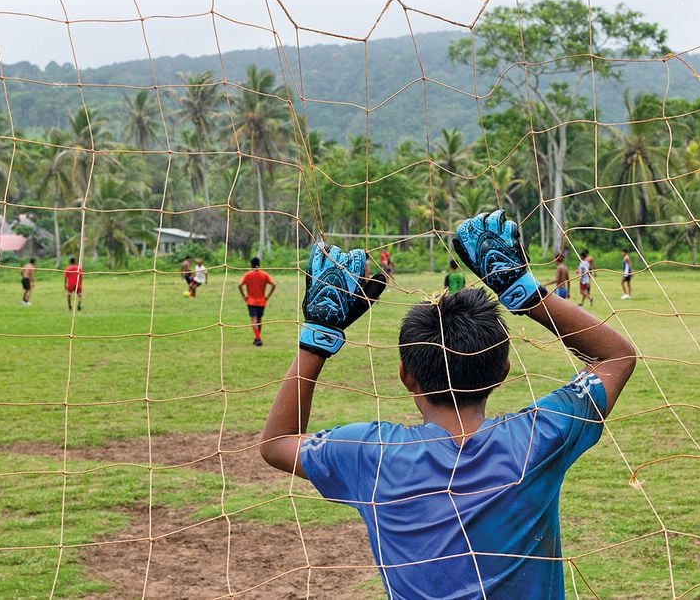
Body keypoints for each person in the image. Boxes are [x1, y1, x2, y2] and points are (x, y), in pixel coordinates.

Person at [261, 210, 636, 598]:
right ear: (503, 371)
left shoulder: (372, 455)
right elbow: (615, 358)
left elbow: (277, 443)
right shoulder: (537, 440)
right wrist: (522, 290)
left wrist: (317, 337)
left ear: (406, 375)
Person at [238, 257, 276, 347]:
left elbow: (240, 285)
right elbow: (274, 284)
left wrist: (244, 296)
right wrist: (268, 296)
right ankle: (257, 337)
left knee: (254, 321)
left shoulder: (248, 275)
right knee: (259, 320)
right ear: (259, 264)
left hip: (251, 301)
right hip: (262, 301)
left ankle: (258, 339)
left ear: (251, 265)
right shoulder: (264, 275)